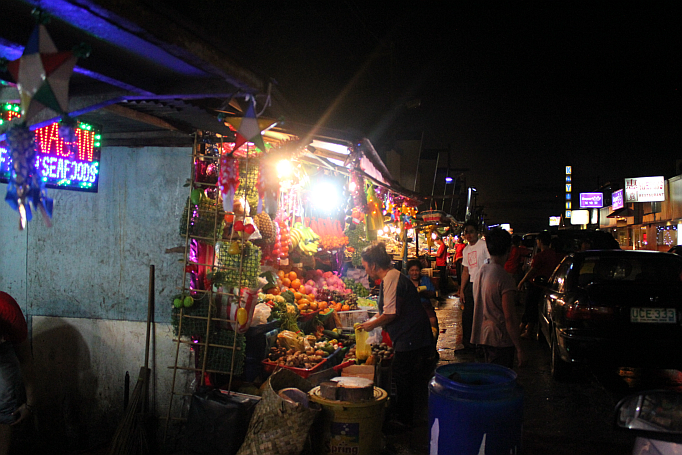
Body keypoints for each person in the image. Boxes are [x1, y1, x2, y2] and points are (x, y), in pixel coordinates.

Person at [357, 243, 436, 429]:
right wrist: (373, 319)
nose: (365, 270)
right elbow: (387, 310)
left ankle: (404, 420)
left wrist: (371, 325)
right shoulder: (391, 277)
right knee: (405, 376)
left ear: (374, 265)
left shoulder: (391, 279)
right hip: (411, 335)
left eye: (365, 266)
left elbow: (391, 314)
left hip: (411, 337)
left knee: (402, 375)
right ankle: (408, 415)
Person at [471, 228, 526, 368]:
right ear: (509, 250)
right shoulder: (505, 278)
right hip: (500, 340)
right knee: (500, 383)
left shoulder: (481, 272)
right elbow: (509, 317)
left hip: (482, 336)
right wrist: (519, 348)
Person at [0, 292, 35, 455]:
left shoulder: (11, 318)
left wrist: (30, 403)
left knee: (5, 399)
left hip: (5, 340)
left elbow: (26, 360)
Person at [517, 231, 564, 338]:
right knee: (535, 309)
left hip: (535, 285)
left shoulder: (540, 256)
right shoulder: (555, 255)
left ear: (540, 241)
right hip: (547, 286)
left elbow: (532, 271)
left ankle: (523, 330)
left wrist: (522, 281)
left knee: (530, 307)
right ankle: (527, 330)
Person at [458, 221, 490, 349]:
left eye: (471, 231)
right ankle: (468, 345)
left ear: (477, 233)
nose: (469, 235)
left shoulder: (484, 245)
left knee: (482, 315)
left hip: (483, 284)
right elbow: (466, 271)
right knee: (468, 315)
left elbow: (490, 263)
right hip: (471, 285)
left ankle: (482, 345)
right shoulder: (466, 250)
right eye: (466, 232)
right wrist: (461, 289)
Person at [405, 259, 439, 341]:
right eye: (412, 270)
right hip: (409, 308)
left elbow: (433, 294)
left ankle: (432, 344)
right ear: (408, 271)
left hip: (425, 306)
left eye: (417, 270)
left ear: (420, 271)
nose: (414, 273)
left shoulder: (425, 280)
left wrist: (423, 292)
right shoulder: (405, 281)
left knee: (433, 321)